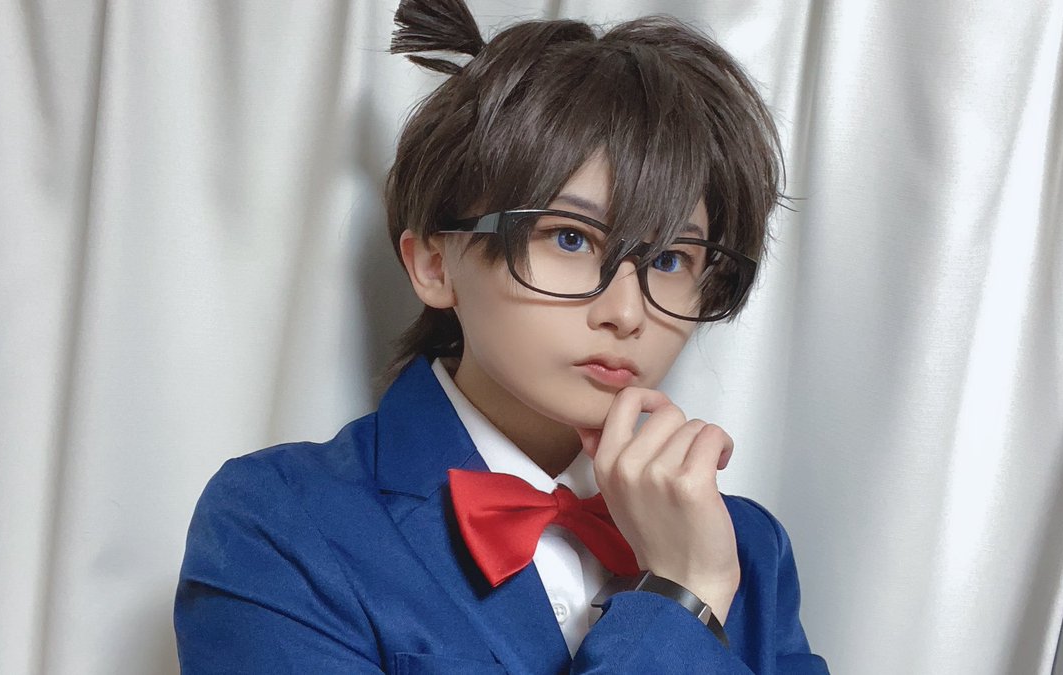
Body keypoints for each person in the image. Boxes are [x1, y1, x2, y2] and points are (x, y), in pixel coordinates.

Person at [174, 0, 829, 672]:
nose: (627, 311)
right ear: (435, 263)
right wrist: (681, 596)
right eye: (570, 238)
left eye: (669, 259)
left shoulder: (745, 546)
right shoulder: (283, 522)